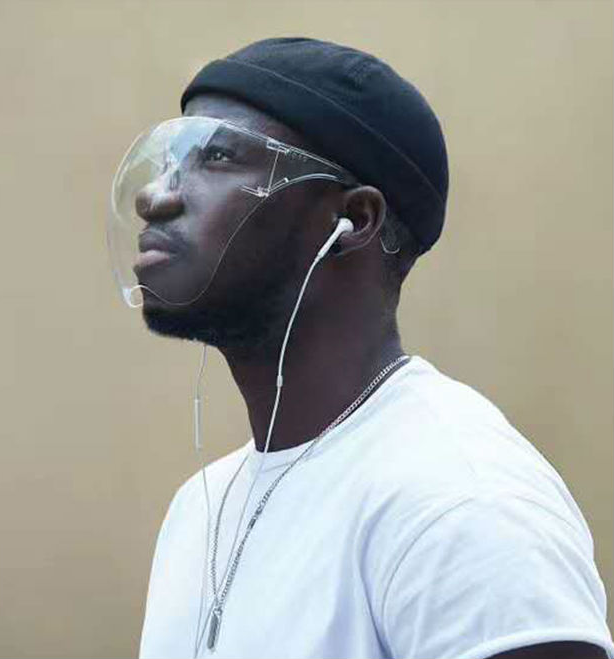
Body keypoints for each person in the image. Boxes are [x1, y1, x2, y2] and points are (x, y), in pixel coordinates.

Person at [109, 38, 613, 659]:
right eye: (172, 160)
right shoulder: (199, 509)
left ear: (354, 220)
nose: (155, 197)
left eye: (216, 157)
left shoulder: (460, 500)